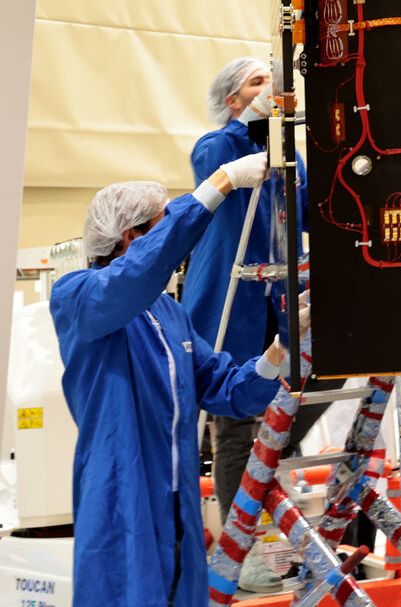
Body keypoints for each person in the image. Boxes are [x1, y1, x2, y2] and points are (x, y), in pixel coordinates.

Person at [51, 160, 286, 607]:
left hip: (177, 504)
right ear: (131, 237)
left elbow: (225, 388)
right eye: (166, 228)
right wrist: (221, 182)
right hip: (121, 498)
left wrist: (279, 352)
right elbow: (133, 276)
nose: (179, 247)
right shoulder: (77, 296)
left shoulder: (168, 314)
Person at [183, 57, 312, 589]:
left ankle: (278, 535)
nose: (269, 89)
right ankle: (244, 551)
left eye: (271, 82)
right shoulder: (216, 146)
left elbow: (308, 208)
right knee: (236, 428)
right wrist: (251, 124)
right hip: (231, 305)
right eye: (255, 83)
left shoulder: (290, 158)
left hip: (279, 302)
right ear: (231, 101)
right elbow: (218, 168)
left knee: (286, 416)